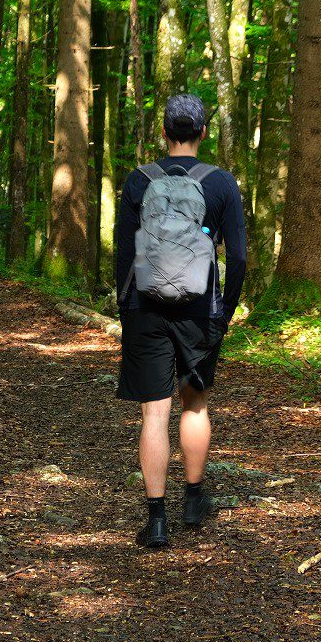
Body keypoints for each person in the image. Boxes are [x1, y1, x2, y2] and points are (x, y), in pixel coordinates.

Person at [114, 93, 246, 549]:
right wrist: (225, 310)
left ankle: (155, 521)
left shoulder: (139, 180)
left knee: (154, 412)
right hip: (200, 310)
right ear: (203, 132)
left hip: (145, 308)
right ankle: (193, 500)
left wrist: (126, 305)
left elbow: (125, 253)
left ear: (165, 133)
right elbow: (241, 257)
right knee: (195, 403)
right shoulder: (222, 183)